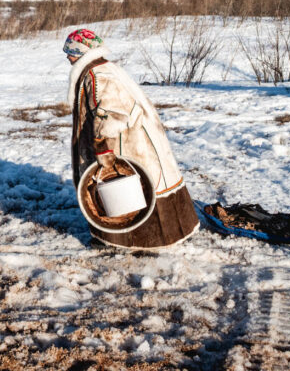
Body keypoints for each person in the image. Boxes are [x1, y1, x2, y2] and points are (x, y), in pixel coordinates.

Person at [64, 28, 199, 248]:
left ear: (82, 52)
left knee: (124, 189)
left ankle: (137, 241)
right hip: (134, 138)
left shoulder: (98, 75)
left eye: (71, 51)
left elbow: (113, 112)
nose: (67, 56)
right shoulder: (102, 69)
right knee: (142, 183)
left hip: (125, 142)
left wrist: (101, 145)